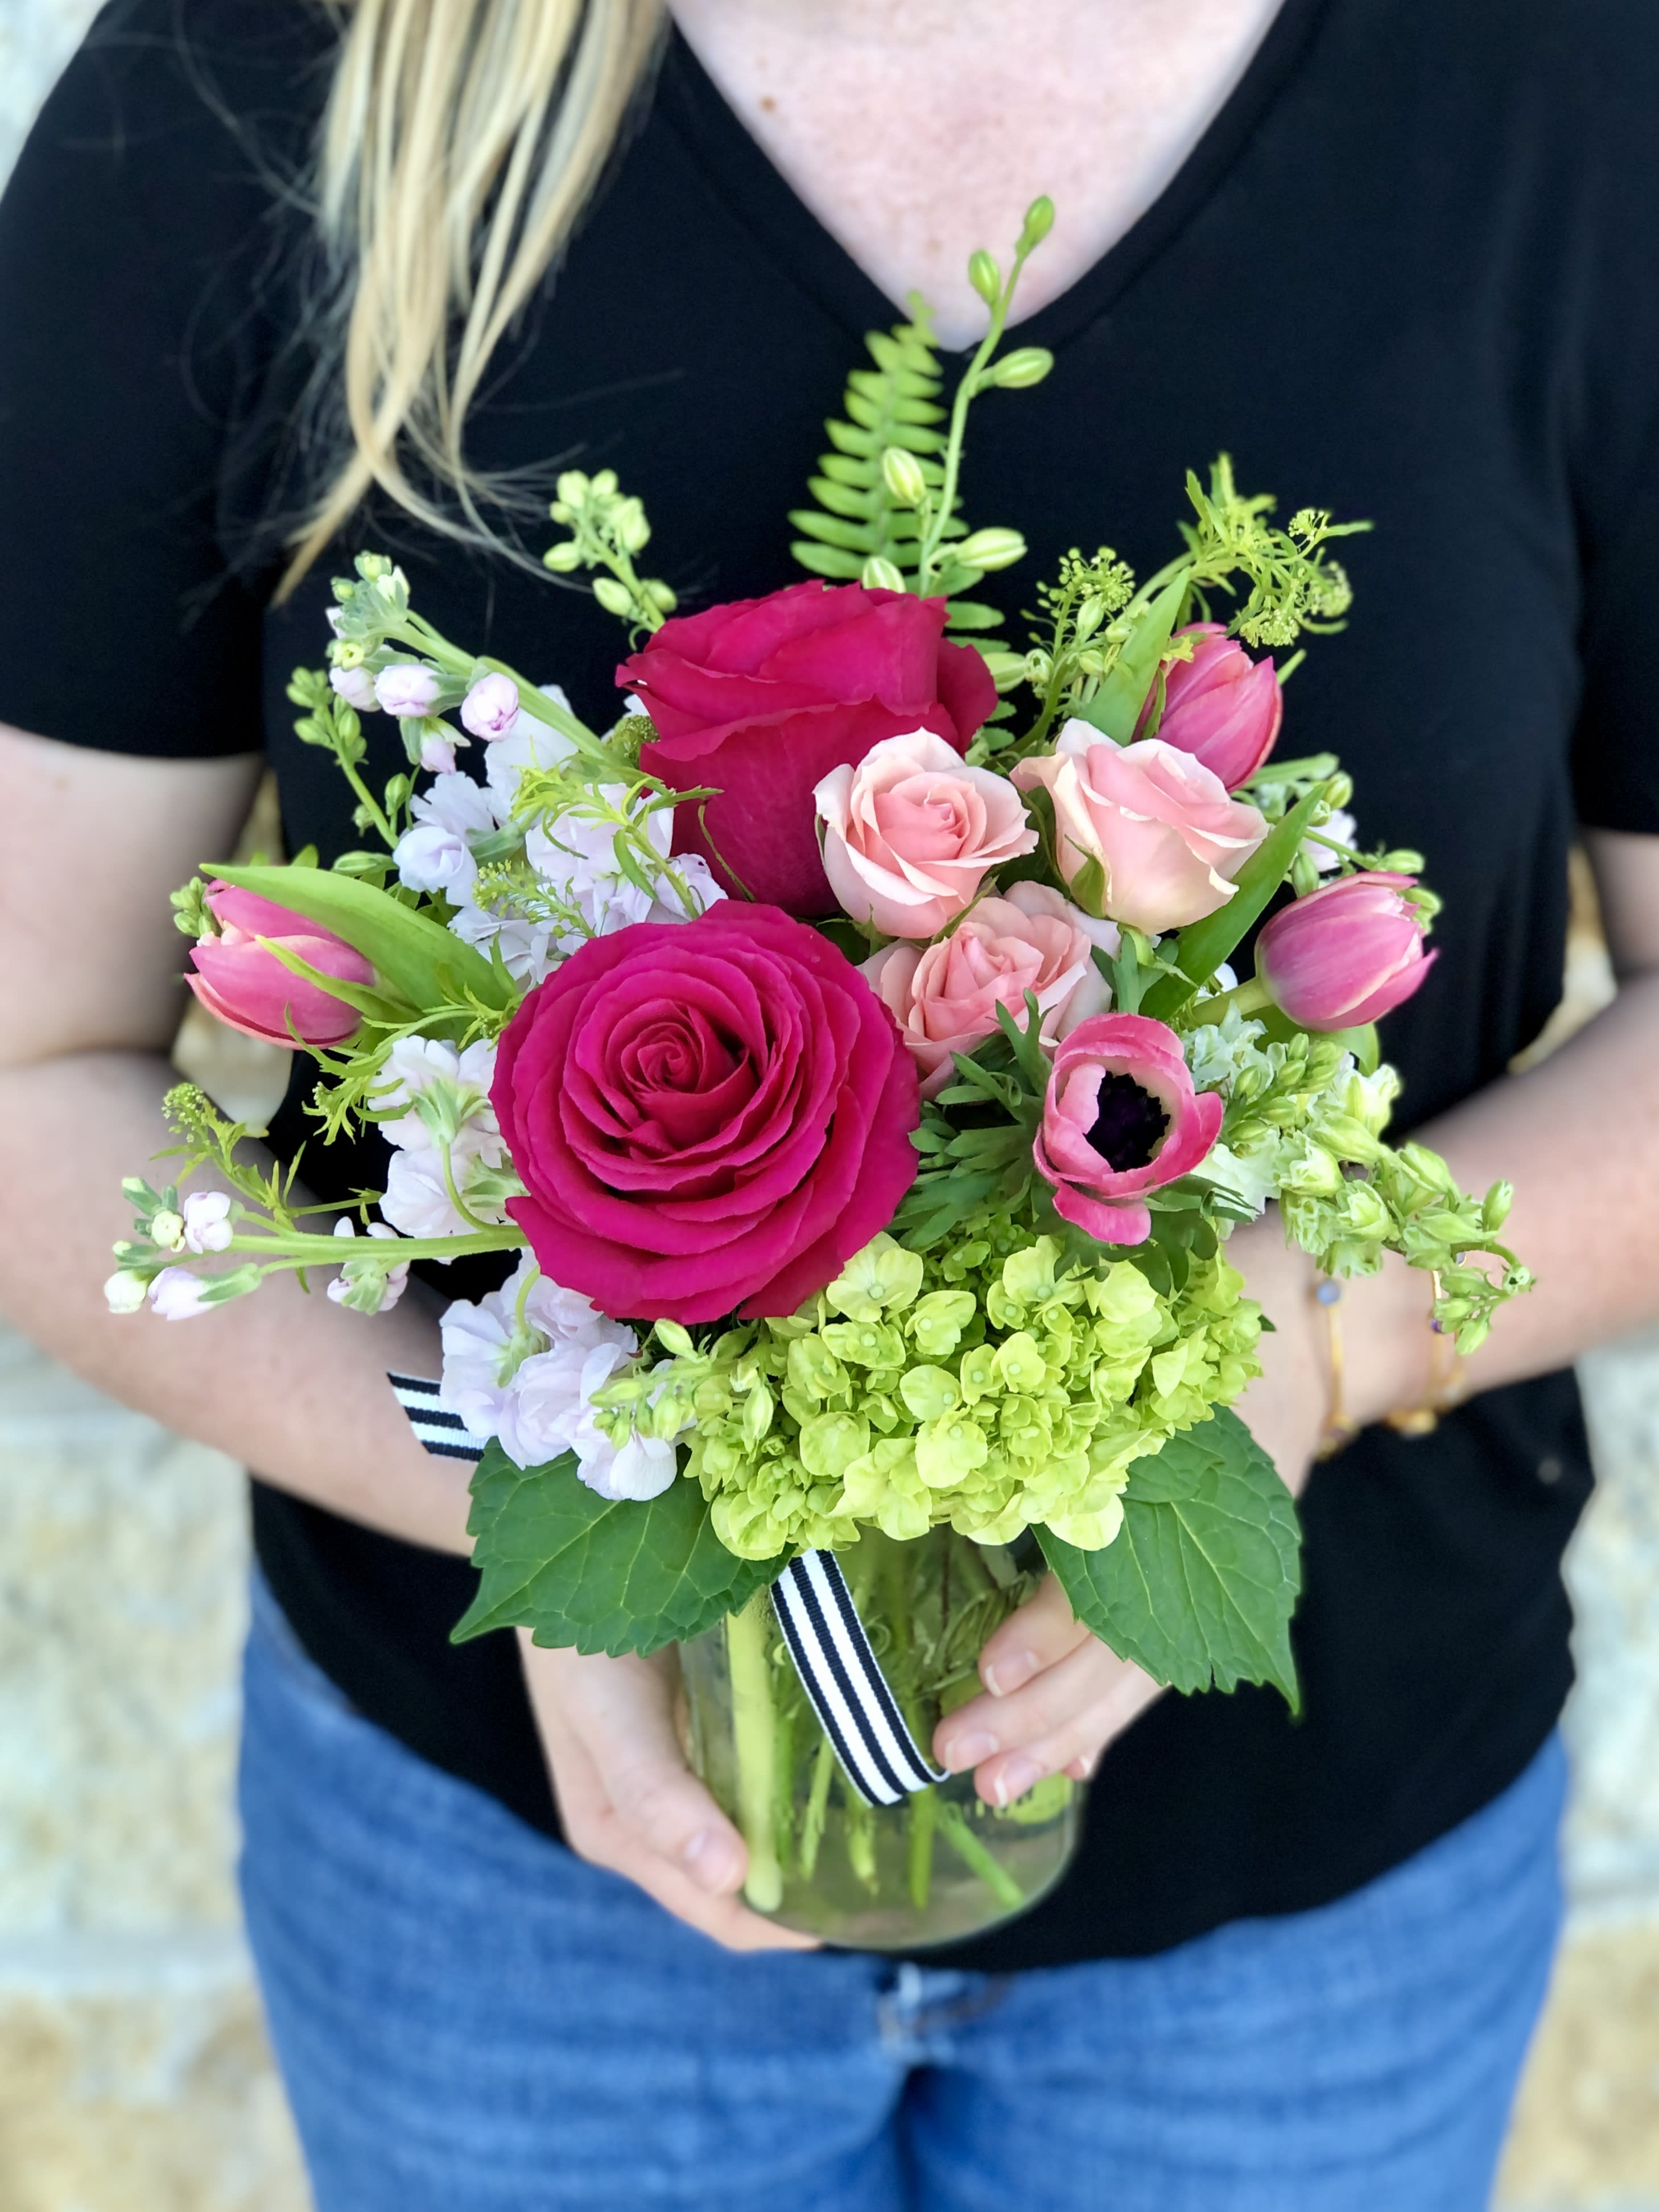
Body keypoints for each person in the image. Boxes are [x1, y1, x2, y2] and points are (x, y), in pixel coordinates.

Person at [1, 0, 1656, 2203]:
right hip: (521, 1917)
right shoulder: (285, 61)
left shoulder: (1569, 82)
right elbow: (26, 1064)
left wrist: (1298, 1344)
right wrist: (553, 1511)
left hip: (1308, 1915)